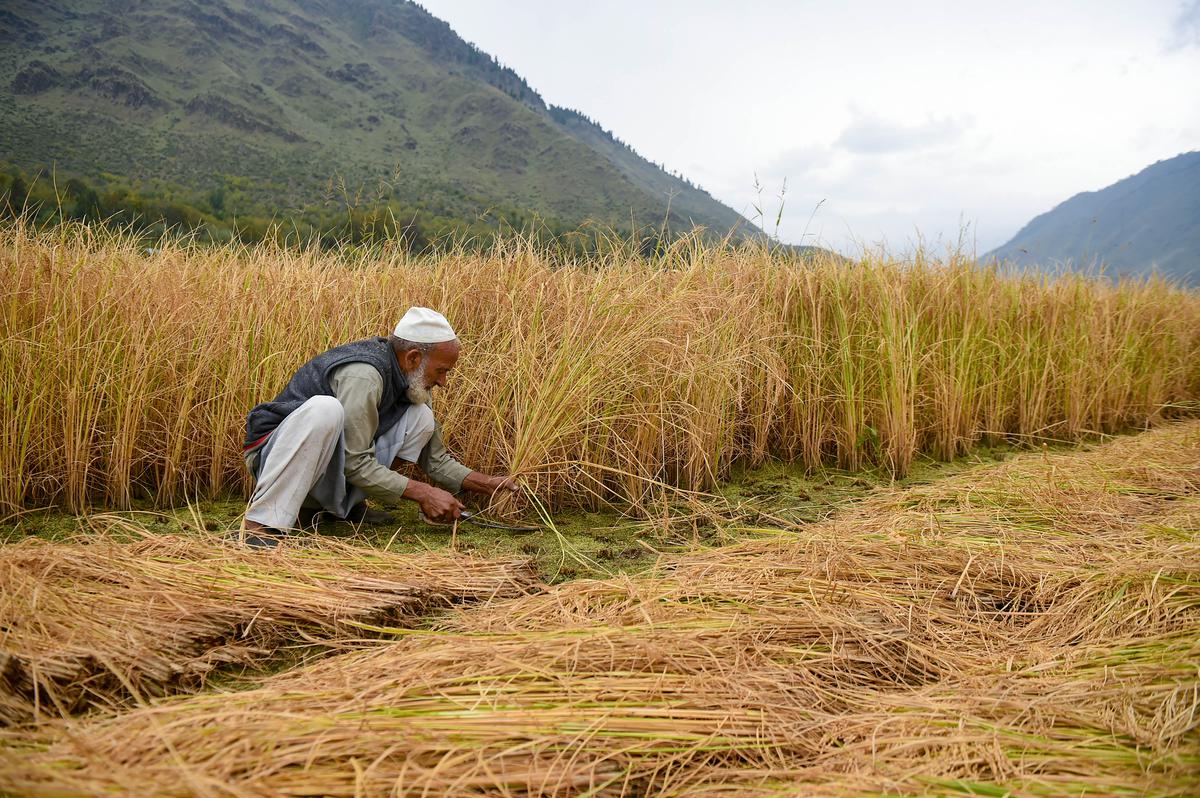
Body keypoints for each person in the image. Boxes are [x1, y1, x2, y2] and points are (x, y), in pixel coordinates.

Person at [239, 307, 517, 548]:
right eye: (441, 371)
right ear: (413, 358)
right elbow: (354, 461)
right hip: (273, 459)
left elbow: (435, 460)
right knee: (325, 409)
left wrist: (486, 482)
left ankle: (342, 509)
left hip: (326, 465)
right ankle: (262, 525)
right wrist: (423, 493)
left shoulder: (413, 380)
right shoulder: (364, 376)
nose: (443, 382)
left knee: (421, 418)